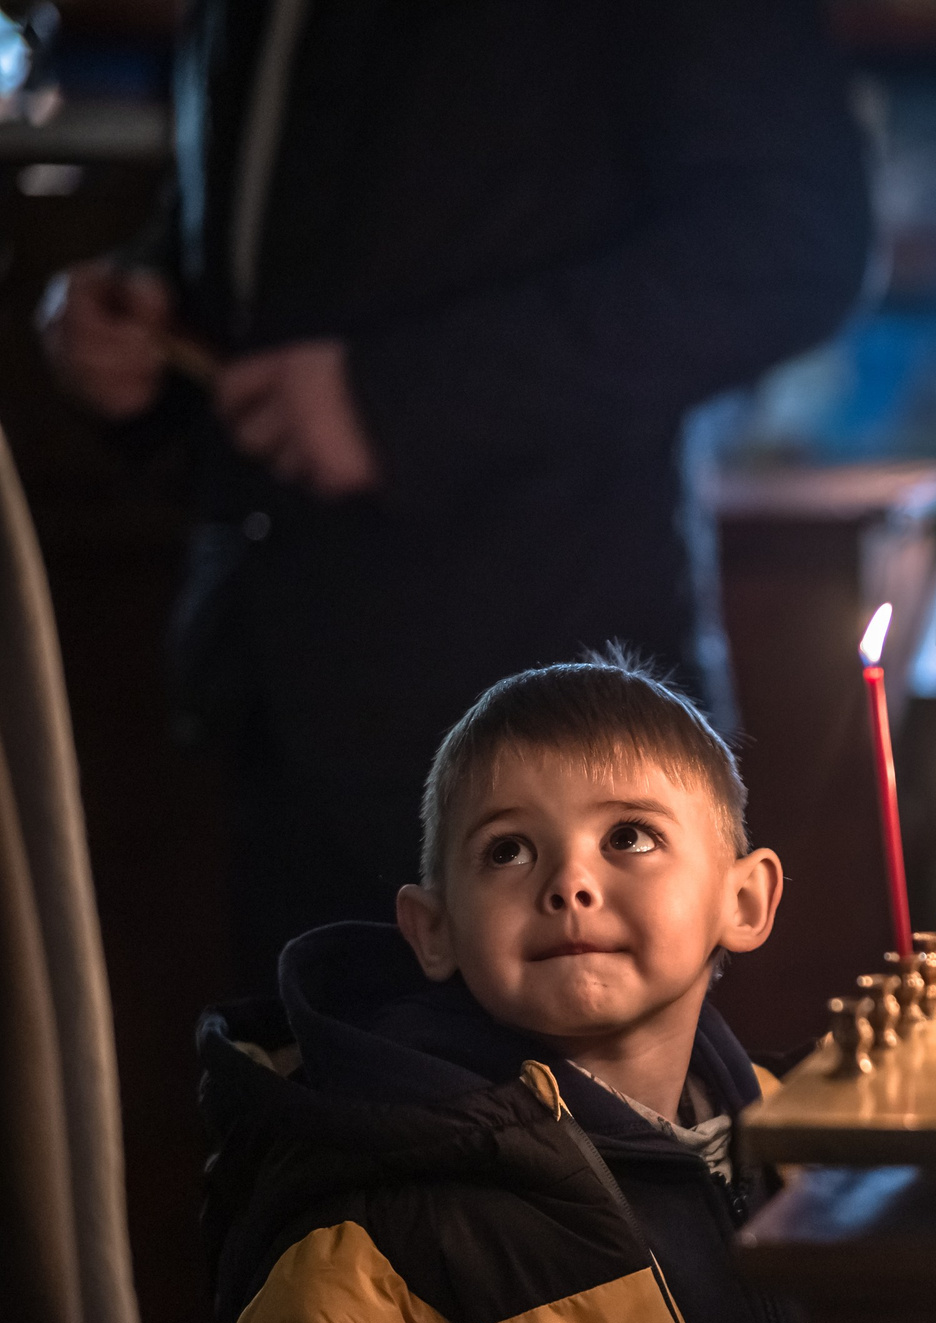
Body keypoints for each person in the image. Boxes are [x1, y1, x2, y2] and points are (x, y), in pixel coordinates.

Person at [38, 0, 870, 990]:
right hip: (261, 697)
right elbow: (279, 200)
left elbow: (790, 242)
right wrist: (146, 301)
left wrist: (396, 403)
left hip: (539, 702)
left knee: (571, 1096)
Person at [197, 658, 825, 1323]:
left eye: (629, 836)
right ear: (433, 929)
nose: (568, 882)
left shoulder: (802, 1149)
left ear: (744, 897)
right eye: (508, 849)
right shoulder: (378, 1248)